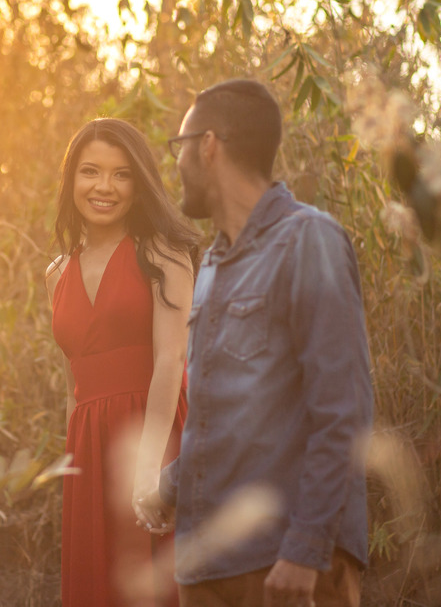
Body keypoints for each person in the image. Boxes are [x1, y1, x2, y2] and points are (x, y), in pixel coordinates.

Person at [135, 79, 374, 607]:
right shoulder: (213, 266)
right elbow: (227, 419)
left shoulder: (309, 240)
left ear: (209, 145)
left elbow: (344, 412)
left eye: (180, 147)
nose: (175, 164)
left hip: (284, 564)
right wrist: (169, 487)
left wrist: (307, 548)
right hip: (204, 564)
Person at [47, 117, 201, 607]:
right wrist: (71, 473)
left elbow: (170, 360)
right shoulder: (56, 273)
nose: (104, 187)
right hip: (88, 447)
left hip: (157, 436)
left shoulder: (163, 252)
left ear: (140, 183)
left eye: (121, 174)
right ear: (71, 179)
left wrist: (149, 469)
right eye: (90, 172)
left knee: (164, 587)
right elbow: (75, 385)